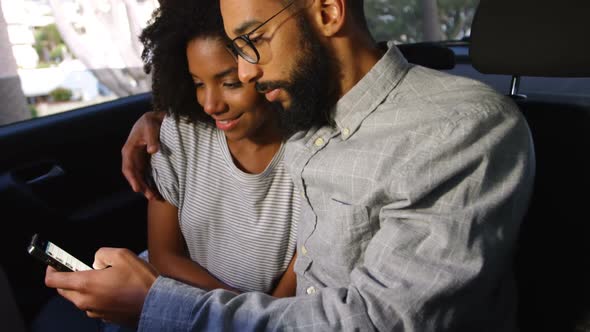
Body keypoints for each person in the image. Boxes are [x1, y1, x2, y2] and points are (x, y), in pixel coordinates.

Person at [45, 0, 535, 330]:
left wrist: (161, 304)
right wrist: (159, 117)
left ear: (326, 11)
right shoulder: (310, 109)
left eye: (252, 39)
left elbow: (379, 322)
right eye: (237, 51)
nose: (245, 72)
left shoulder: (459, 128)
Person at [132, 0, 299, 298]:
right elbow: (164, 256)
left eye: (230, 83)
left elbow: (287, 300)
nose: (211, 105)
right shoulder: (179, 135)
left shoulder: (313, 153)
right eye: (198, 84)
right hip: (181, 304)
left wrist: (240, 319)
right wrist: (230, 311)